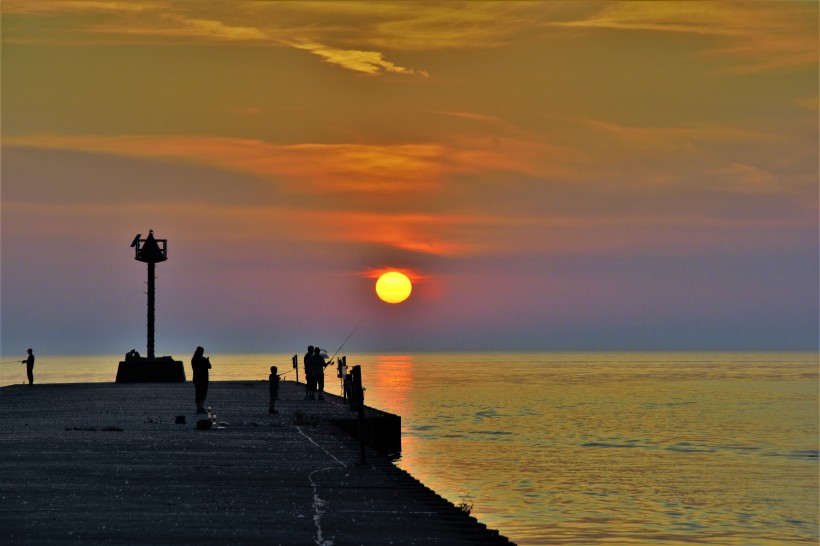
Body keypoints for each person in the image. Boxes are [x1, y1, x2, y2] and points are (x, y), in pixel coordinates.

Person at [191, 346, 211, 414]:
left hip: (196, 378)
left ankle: (199, 407)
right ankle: (200, 407)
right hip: (203, 379)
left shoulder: (193, 359)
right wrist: (208, 360)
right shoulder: (203, 359)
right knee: (203, 393)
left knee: (198, 393)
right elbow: (209, 366)